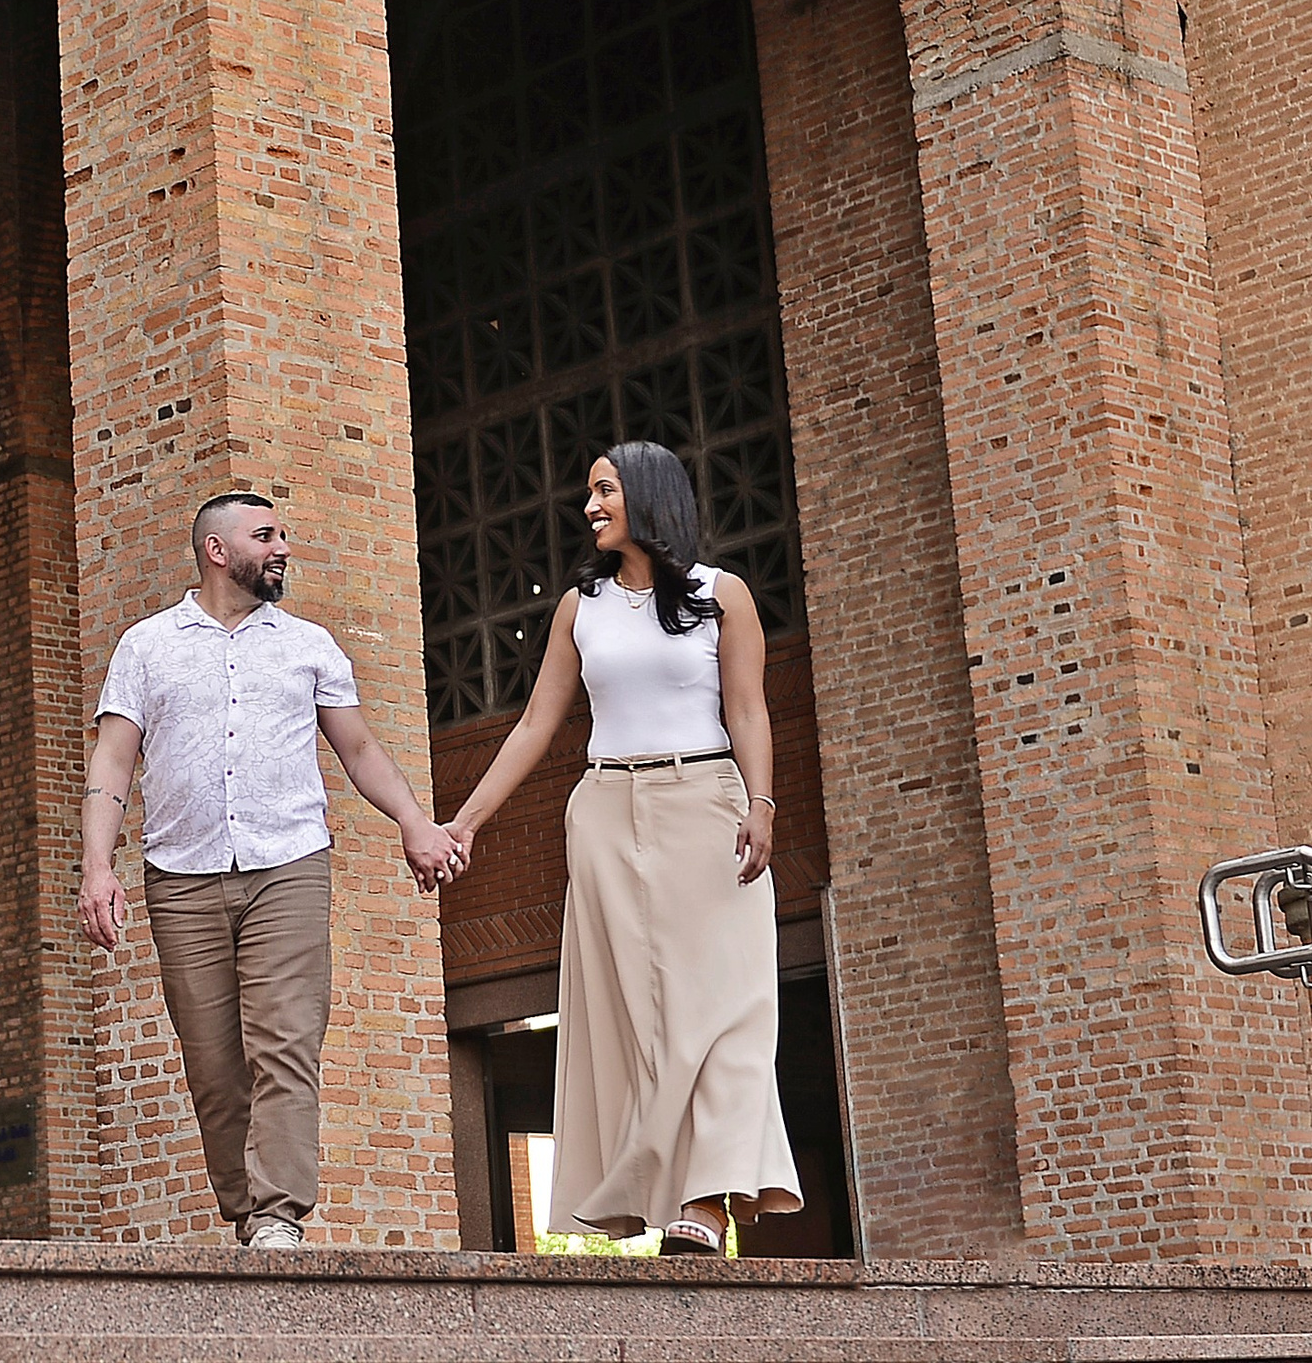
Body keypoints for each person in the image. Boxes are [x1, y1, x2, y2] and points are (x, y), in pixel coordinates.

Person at [78, 491, 465, 1248]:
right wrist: (99, 866)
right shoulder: (147, 646)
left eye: (283, 533)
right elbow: (114, 759)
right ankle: (247, 1211)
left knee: (286, 1040)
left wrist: (414, 821)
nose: (283, 547)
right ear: (217, 551)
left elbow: (358, 750)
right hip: (180, 876)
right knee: (214, 1061)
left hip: (288, 865)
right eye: (266, 535)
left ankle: (279, 1212)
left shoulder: (309, 646)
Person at [444, 442, 800, 1254]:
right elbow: (538, 724)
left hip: (708, 804)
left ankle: (709, 1201)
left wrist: (762, 805)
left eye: (604, 490)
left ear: (647, 495)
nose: (590, 505)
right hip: (604, 812)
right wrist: (465, 821)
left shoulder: (723, 596)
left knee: (727, 1006)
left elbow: (749, 711)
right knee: (637, 1014)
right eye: (590, 491)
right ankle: (664, 1193)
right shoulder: (582, 606)